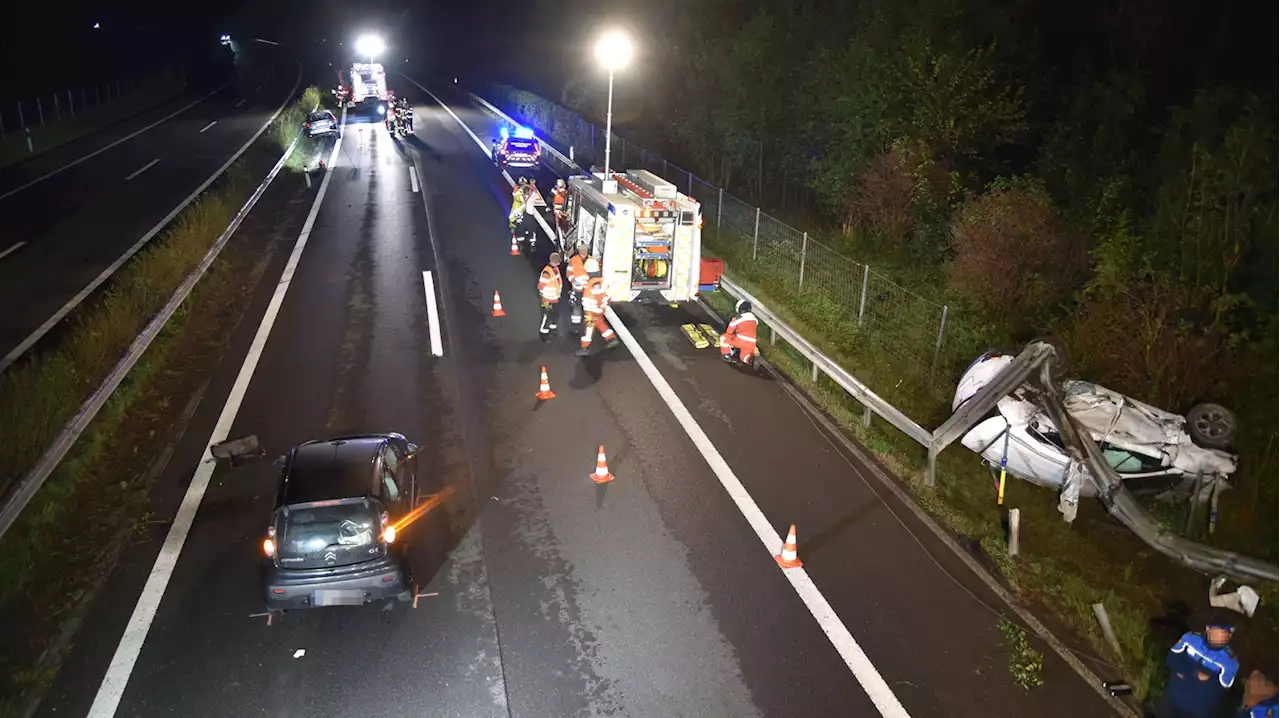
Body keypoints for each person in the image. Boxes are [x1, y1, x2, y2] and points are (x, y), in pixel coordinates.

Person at [1156, 616, 1239, 718]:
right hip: (1172, 701)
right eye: (1221, 631)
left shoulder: (1230, 662)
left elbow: (1216, 691)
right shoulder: (1190, 639)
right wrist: (1196, 675)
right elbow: (1172, 659)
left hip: (1197, 712)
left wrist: (1184, 672)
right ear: (1208, 628)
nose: (1225, 636)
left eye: (1228, 633)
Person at [578, 257, 618, 356]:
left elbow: (588, 299)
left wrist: (587, 312)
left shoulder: (590, 284)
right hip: (600, 309)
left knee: (588, 329)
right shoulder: (602, 281)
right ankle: (611, 338)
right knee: (600, 323)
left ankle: (584, 348)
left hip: (591, 311)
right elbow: (608, 295)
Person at [720, 299, 759, 366]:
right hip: (752, 342)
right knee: (744, 356)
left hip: (740, 340)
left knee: (724, 338)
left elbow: (729, 331)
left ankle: (726, 356)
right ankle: (751, 360)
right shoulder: (754, 319)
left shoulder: (738, 317)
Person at [538, 253, 564, 340]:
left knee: (555, 315)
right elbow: (540, 286)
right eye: (558, 262)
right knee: (547, 316)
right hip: (547, 300)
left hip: (555, 299)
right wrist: (543, 295)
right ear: (554, 262)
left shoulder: (555, 269)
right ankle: (544, 335)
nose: (559, 263)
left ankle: (553, 329)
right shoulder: (547, 272)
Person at [565, 243, 590, 326]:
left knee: (589, 307)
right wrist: (573, 281)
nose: (584, 252)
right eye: (582, 251)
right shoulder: (574, 260)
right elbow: (569, 273)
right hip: (577, 288)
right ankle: (576, 324)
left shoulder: (591, 260)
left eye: (585, 251)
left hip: (588, 289)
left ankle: (589, 324)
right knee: (577, 306)